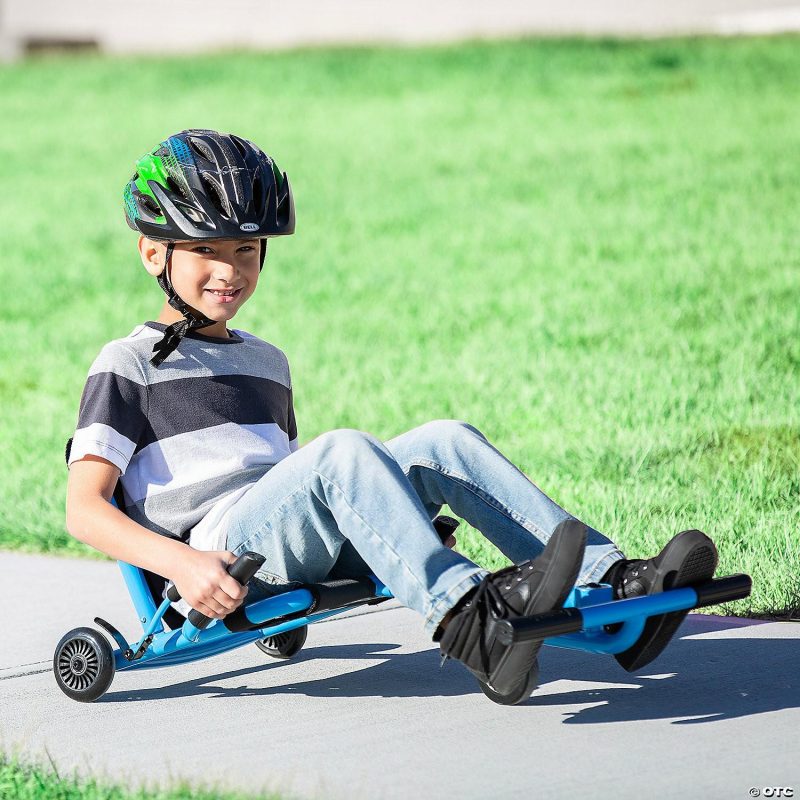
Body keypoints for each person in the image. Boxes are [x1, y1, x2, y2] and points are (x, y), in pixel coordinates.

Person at [66, 129, 719, 703]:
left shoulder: (267, 361)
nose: (231, 271)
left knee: (445, 440)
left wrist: (389, 514)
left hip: (287, 543)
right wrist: (181, 567)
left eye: (247, 250)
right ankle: (471, 621)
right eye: (210, 251)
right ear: (155, 254)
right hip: (220, 563)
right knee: (344, 449)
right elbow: (84, 510)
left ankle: (614, 586)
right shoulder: (129, 363)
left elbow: (295, 487)